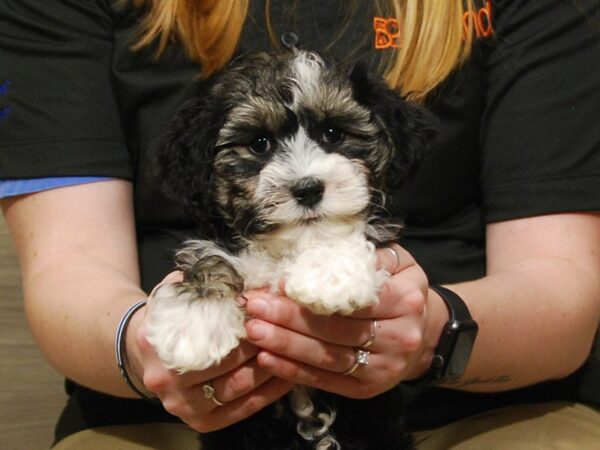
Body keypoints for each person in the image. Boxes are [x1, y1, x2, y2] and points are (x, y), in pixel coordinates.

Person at [1, 0, 600, 448]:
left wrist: (431, 335)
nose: (305, 172)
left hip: (467, 407)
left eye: (334, 137)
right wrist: (142, 344)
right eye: (260, 144)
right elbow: (66, 267)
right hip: (162, 418)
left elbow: (562, 286)